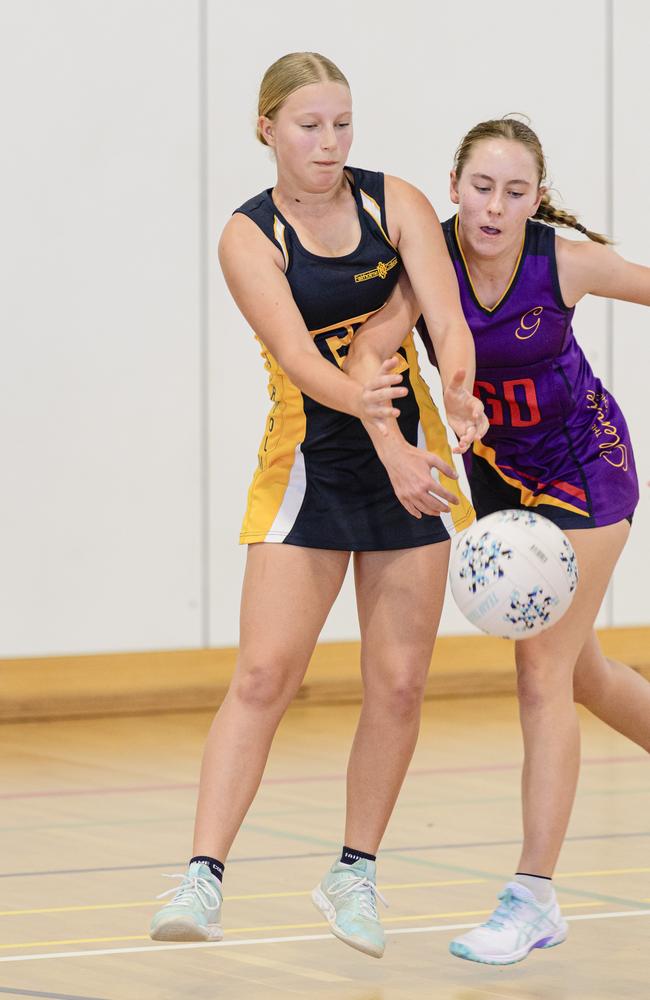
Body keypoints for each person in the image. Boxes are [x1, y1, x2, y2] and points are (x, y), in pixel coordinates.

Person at [148, 52, 487, 959]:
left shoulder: (397, 202)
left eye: (342, 124)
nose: (330, 143)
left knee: (401, 683)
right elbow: (309, 365)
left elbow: (445, 317)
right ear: (266, 128)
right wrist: (391, 443)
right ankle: (202, 876)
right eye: (309, 126)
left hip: (411, 460)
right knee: (264, 676)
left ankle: (355, 871)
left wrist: (456, 387)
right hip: (312, 462)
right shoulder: (248, 236)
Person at [347, 116, 649, 966]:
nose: (495, 206)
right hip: (503, 489)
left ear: (537, 199)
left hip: (588, 469)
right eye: (482, 187)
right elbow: (374, 348)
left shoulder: (564, 262)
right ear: (453, 186)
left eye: (516, 192)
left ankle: (534, 898)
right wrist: (410, 425)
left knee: (541, 671)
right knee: (583, 672)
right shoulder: (429, 262)